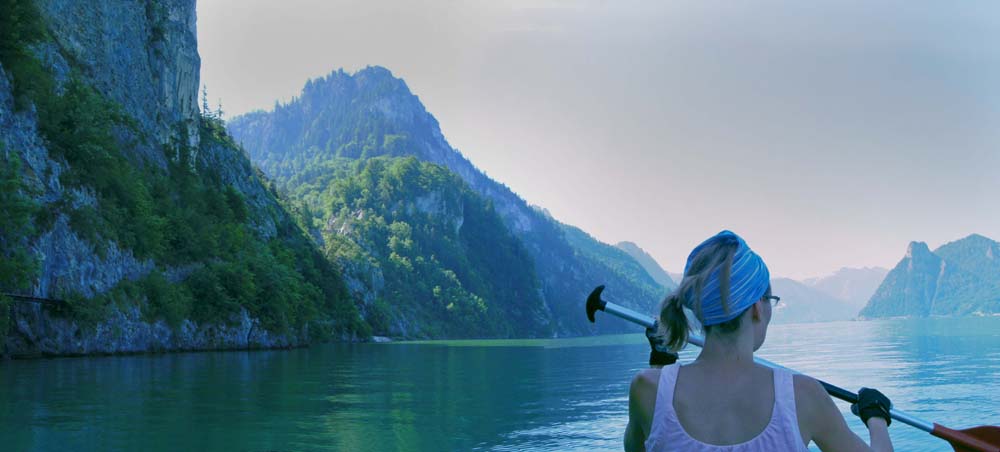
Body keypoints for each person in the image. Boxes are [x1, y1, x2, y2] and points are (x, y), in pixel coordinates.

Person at [625, 231, 894, 452]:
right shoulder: (803, 396)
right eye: (770, 301)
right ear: (757, 307)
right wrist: (876, 416)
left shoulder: (646, 388)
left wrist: (661, 366)